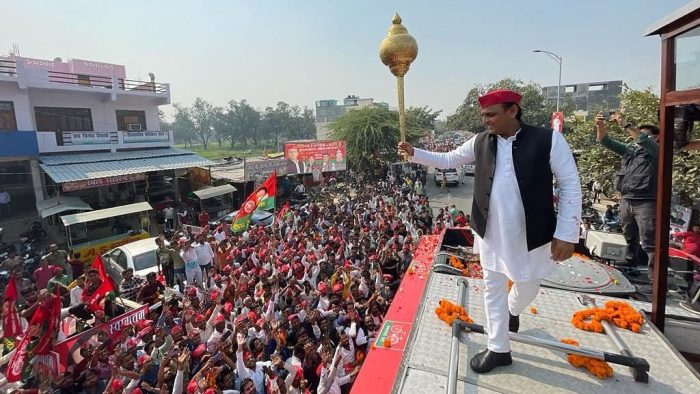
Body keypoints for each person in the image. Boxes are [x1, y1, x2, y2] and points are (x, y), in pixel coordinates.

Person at [398, 89, 581, 373]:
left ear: (513, 111)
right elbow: (448, 160)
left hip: (533, 232)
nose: (485, 121)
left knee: (529, 284)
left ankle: (513, 310)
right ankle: (498, 348)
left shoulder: (549, 140)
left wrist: (567, 233)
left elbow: (570, 184)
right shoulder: (480, 141)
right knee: (492, 286)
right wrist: (414, 153)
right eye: (483, 115)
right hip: (490, 231)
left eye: (491, 115)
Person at [596, 112, 658, 286]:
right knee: (628, 235)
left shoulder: (656, 151)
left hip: (647, 200)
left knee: (649, 240)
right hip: (627, 199)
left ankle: (655, 280)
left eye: (646, 134)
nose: (639, 138)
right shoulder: (631, 152)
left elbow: (643, 140)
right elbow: (605, 141)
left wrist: (623, 121)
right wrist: (600, 126)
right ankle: (630, 262)